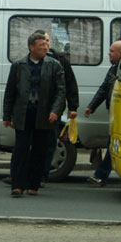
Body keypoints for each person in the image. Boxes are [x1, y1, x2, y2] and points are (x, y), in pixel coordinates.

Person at [3, 31, 65, 197]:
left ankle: (34, 185)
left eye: (46, 45)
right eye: (41, 45)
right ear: (31, 47)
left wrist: (55, 111)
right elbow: (10, 92)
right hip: (23, 113)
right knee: (21, 149)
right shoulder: (18, 66)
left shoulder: (54, 65)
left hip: (44, 115)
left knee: (40, 150)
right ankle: (17, 185)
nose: (45, 48)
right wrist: (6, 115)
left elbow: (60, 91)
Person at [85, 40, 121, 187]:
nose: (109, 53)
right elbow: (104, 89)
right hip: (115, 112)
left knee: (112, 145)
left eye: (111, 51)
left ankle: (101, 175)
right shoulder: (114, 68)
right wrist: (92, 106)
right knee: (115, 145)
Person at [40, 31, 79, 186]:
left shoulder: (60, 60)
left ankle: (42, 177)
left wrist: (73, 106)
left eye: (47, 41)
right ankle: (22, 176)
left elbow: (70, 84)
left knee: (50, 144)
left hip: (53, 111)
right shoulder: (30, 61)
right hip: (34, 110)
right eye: (43, 42)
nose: (46, 45)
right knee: (31, 145)